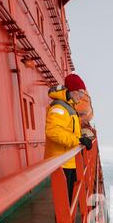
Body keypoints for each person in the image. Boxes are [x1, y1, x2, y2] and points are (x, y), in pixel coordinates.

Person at [44, 73, 92, 202]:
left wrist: (81, 137)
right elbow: (53, 131)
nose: (82, 97)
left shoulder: (69, 107)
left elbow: (68, 130)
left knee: (69, 198)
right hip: (61, 162)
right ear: (73, 91)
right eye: (81, 93)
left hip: (68, 160)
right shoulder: (59, 107)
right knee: (64, 201)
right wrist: (77, 140)